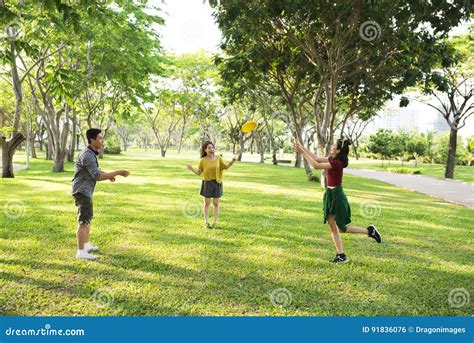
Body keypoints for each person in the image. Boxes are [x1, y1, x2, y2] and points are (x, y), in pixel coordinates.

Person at [294, 138, 382, 264]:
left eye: (334, 145)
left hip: (337, 196)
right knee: (331, 225)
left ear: (338, 150)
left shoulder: (337, 163)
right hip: (329, 194)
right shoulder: (332, 159)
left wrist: (302, 151)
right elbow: (316, 158)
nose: (331, 146)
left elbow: (316, 165)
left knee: (342, 228)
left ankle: (369, 231)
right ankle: (341, 255)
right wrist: (302, 148)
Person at [72, 128, 130, 260]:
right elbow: (97, 176)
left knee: (88, 219)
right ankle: (81, 252)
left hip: (85, 190)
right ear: (92, 140)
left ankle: (86, 245)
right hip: (82, 191)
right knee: (83, 221)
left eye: (102, 138)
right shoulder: (87, 155)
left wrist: (107, 174)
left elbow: (95, 170)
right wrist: (118, 172)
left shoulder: (90, 154)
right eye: (100, 138)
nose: (102, 140)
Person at [186, 141, 236, 229]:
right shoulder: (202, 160)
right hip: (207, 183)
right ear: (205, 150)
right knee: (207, 203)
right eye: (209, 148)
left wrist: (232, 161)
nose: (211, 149)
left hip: (217, 183)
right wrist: (191, 169)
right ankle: (206, 222)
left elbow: (225, 167)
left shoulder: (218, 158)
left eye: (212, 147)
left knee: (216, 203)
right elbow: (198, 172)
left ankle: (215, 222)